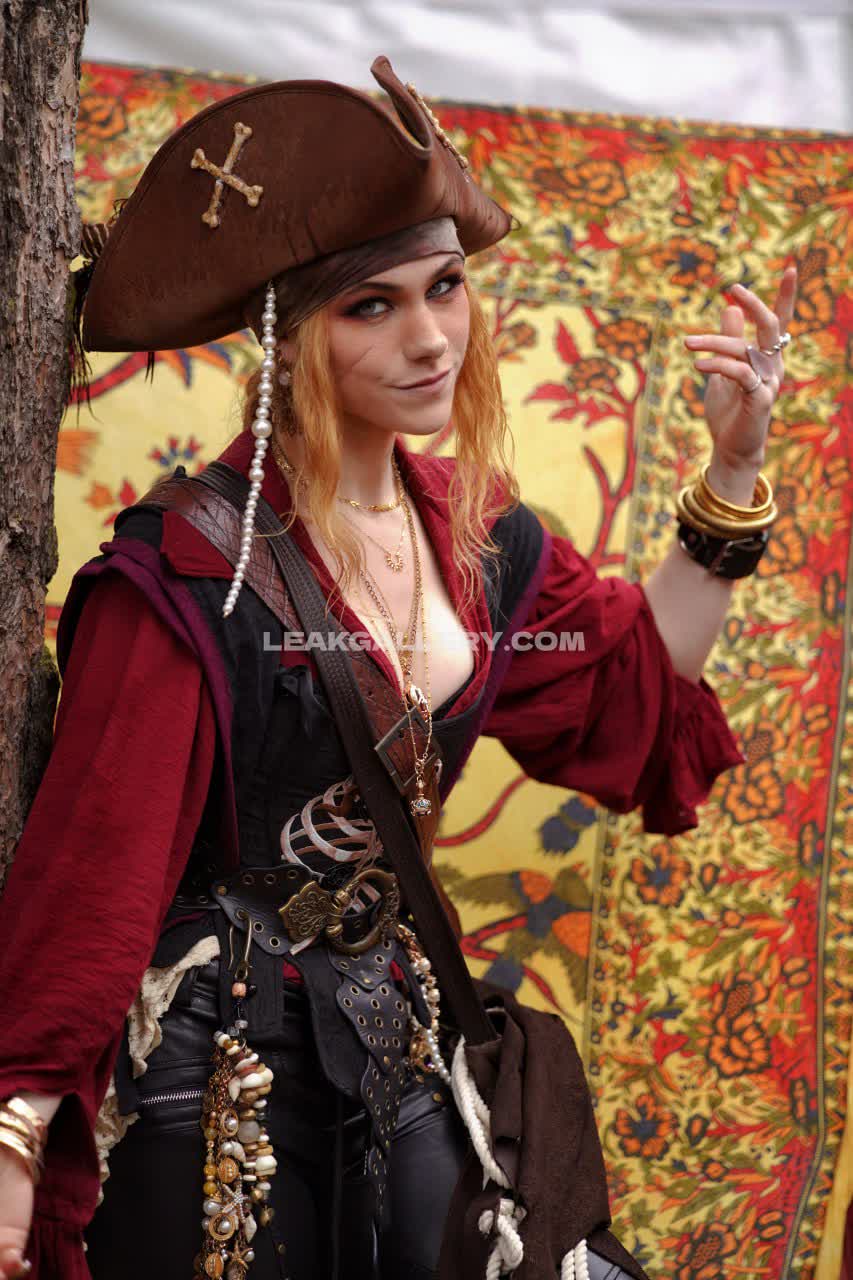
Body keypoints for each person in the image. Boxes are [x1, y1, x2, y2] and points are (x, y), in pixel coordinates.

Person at [0, 54, 797, 1280]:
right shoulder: (190, 568)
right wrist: (15, 1142)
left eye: (445, 287)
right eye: (370, 306)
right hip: (210, 1063)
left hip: (396, 1027)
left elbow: (633, 686)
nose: (430, 339)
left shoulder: (479, 537)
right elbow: (96, 872)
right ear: (287, 338)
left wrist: (731, 473)